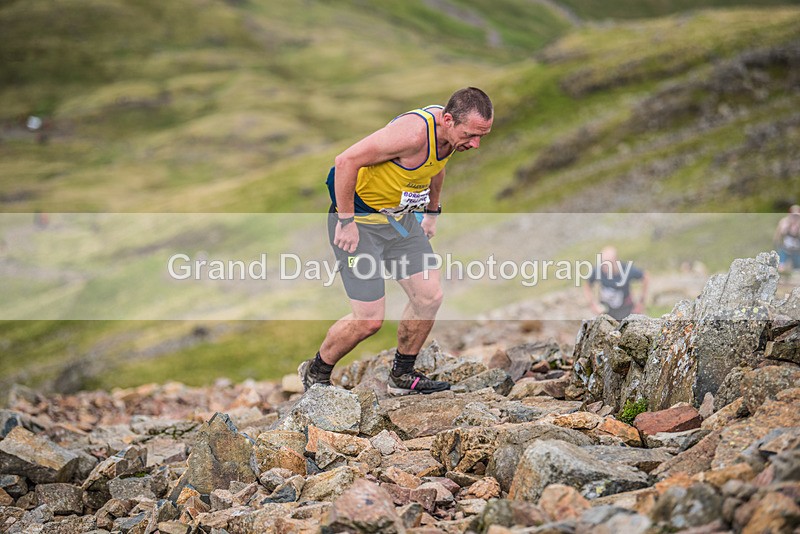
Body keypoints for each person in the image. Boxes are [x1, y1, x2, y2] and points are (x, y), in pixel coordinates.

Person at [298, 87, 494, 395]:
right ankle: (316, 371)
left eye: (482, 136)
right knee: (368, 320)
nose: (475, 144)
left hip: (399, 223)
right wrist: (346, 222)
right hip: (359, 226)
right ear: (447, 120)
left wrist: (432, 212)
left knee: (429, 296)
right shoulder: (411, 135)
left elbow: (435, 168)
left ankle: (402, 374)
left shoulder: (451, 136)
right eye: (471, 135)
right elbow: (345, 161)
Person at [582, 246, 649, 321]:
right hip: (606, 309)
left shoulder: (626, 269)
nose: (604, 267)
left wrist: (641, 302)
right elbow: (587, 285)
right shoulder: (599, 270)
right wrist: (593, 304)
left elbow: (645, 277)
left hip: (625, 308)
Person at [774, 205, 800, 273]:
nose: (795, 217)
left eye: (796, 215)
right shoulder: (784, 222)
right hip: (785, 249)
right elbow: (777, 236)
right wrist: (788, 226)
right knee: (780, 268)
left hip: (797, 251)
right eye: (793, 215)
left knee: (797, 270)